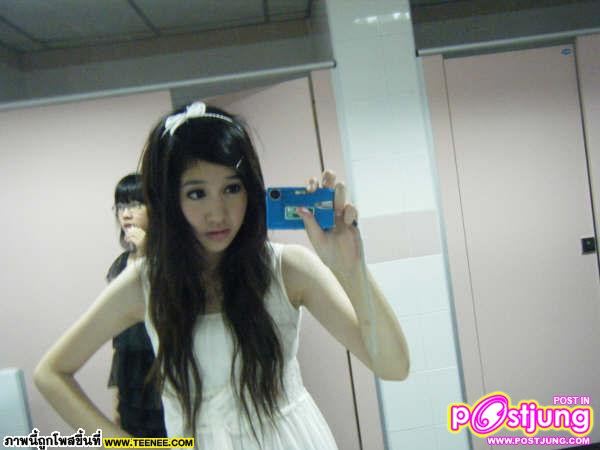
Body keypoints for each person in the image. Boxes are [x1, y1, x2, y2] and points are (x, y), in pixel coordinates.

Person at [34, 102, 409, 449]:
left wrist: (350, 268)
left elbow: (393, 366)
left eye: (232, 188)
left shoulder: (286, 268)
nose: (218, 213)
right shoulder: (146, 284)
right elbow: (51, 373)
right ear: (169, 200)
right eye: (197, 193)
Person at [106, 173, 166, 437]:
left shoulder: (170, 260)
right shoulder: (120, 265)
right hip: (131, 379)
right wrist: (117, 400)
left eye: (135, 204)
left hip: (164, 371)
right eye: (120, 206)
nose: (126, 214)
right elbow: (120, 336)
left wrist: (145, 253)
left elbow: (164, 311)